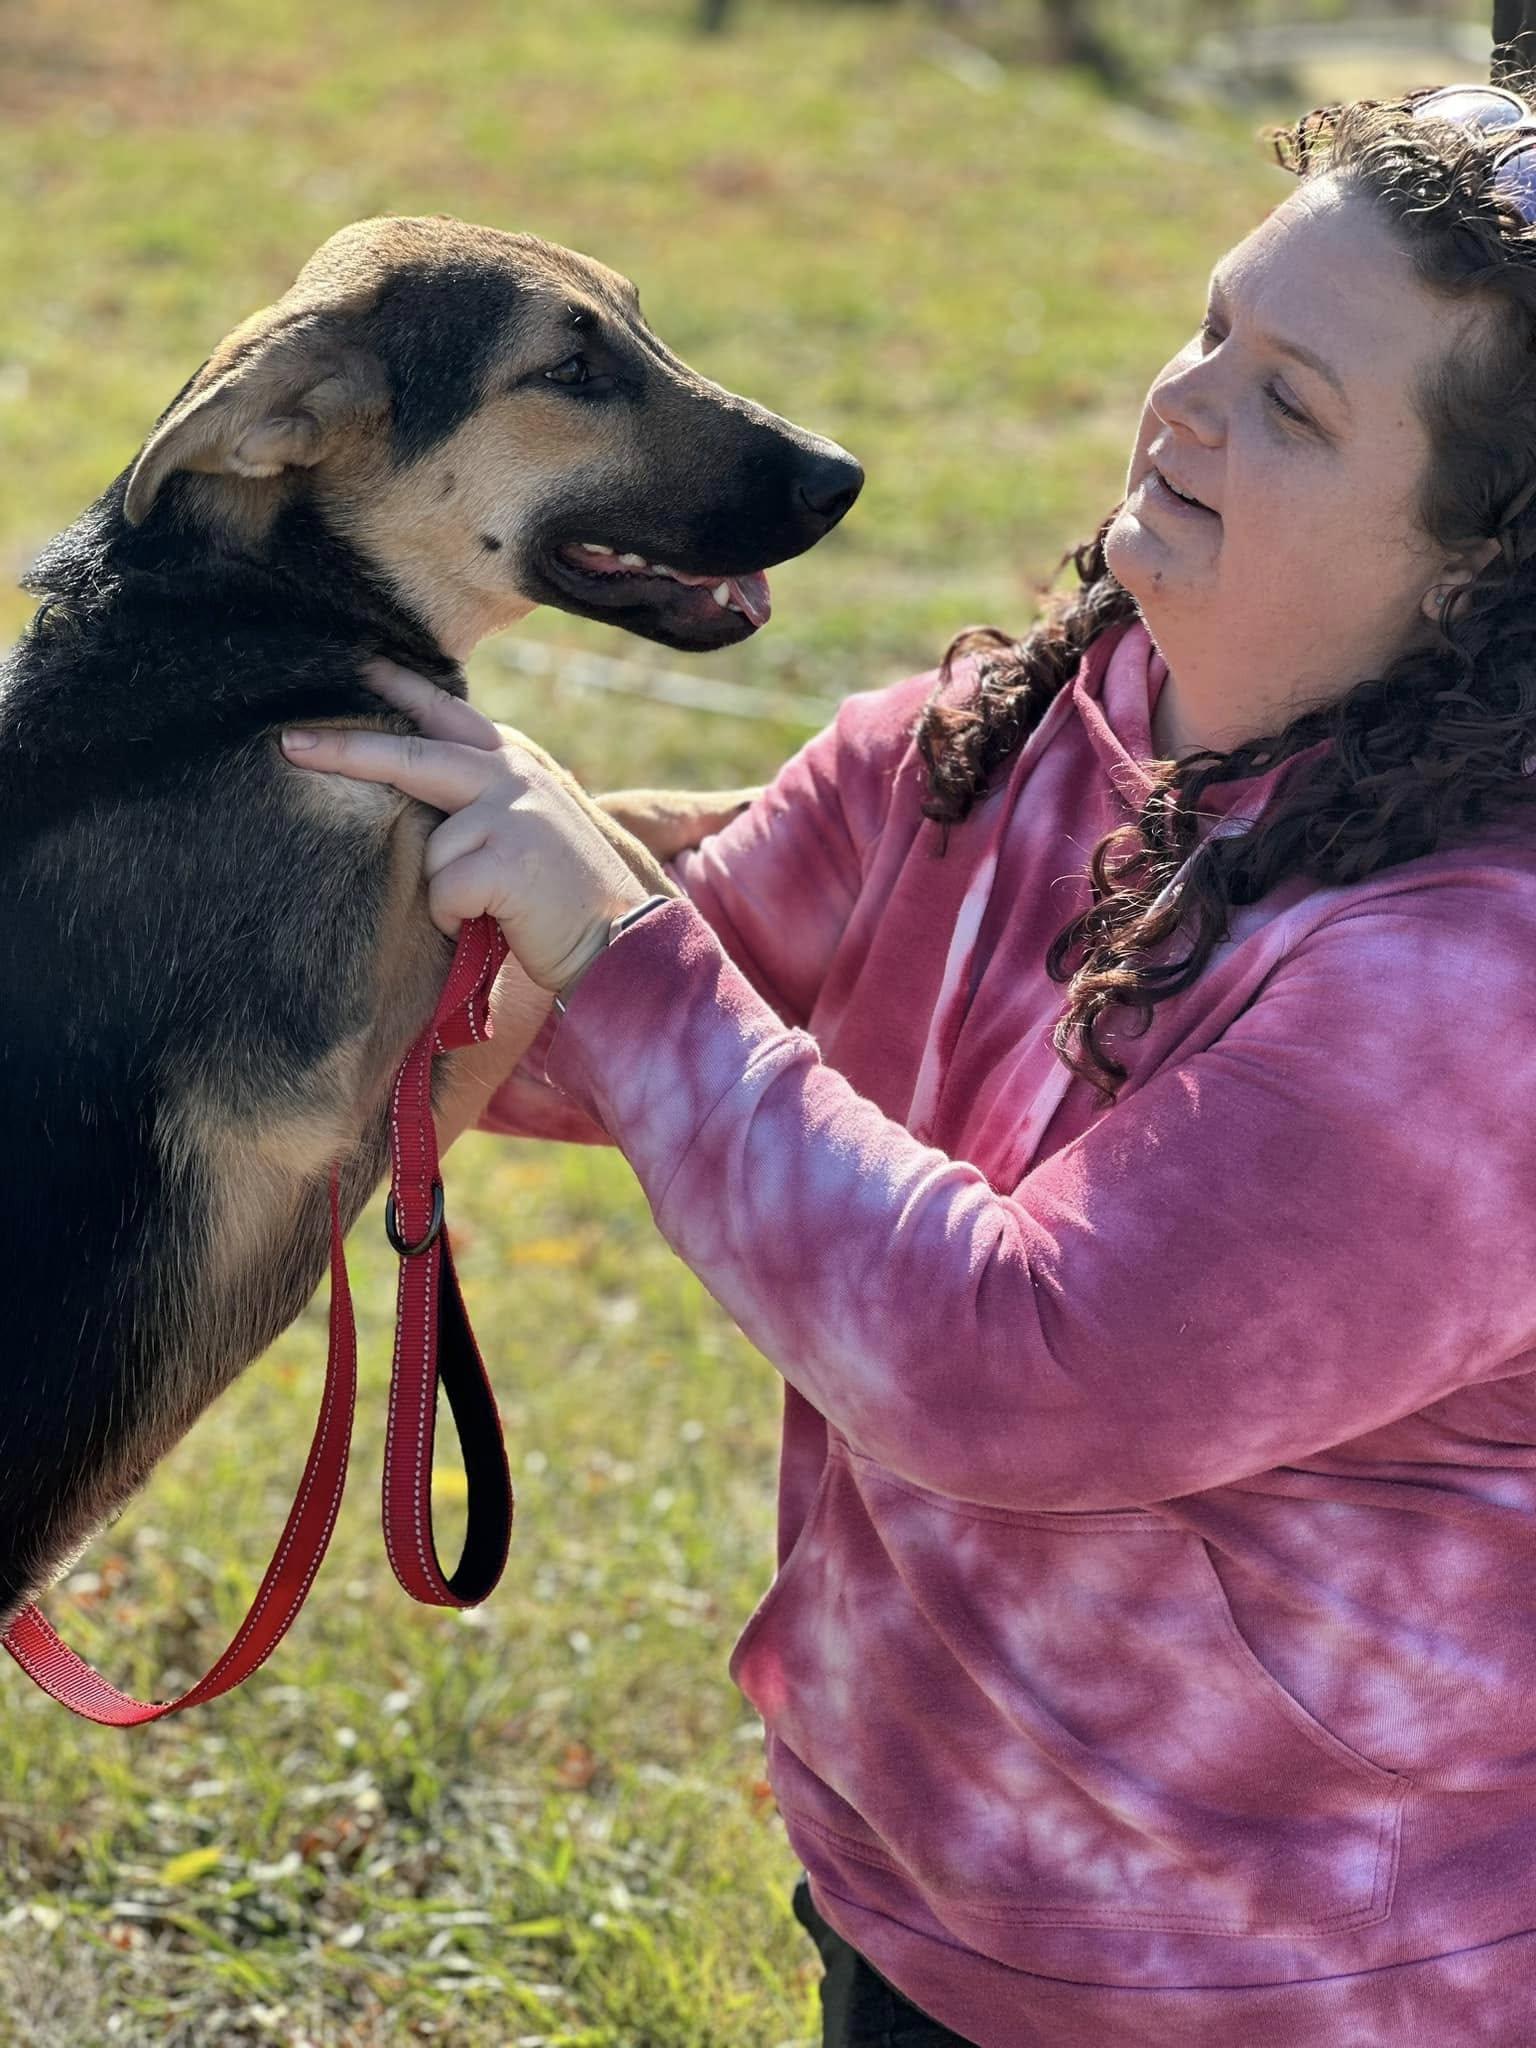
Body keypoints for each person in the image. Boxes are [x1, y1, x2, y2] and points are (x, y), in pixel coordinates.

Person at [280, 79, 1536, 2048]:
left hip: (1277, 1987)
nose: (1188, 404)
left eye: (1293, 404)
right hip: (925, 1889)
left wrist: (611, 942)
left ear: (1485, 574)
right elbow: (617, 1035)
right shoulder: (1029, 726)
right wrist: (245, 891)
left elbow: (1014, 1361)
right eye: (1217, 326)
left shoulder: (1473, 1001)